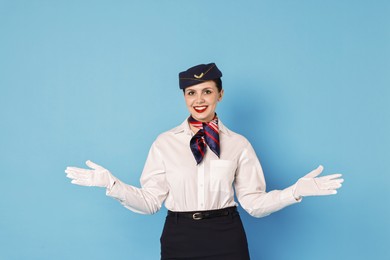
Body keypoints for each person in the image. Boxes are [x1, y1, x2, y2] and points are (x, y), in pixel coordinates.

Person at [65, 63, 344, 260]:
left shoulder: (238, 144)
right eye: (191, 93)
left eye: (207, 91)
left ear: (220, 95)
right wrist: (110, 184)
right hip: (179, 236)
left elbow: (254, 205)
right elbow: (150, 202)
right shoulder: (164, 142)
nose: (199, 100)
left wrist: (294, 192)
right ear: (184, 97)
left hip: (226, 235)